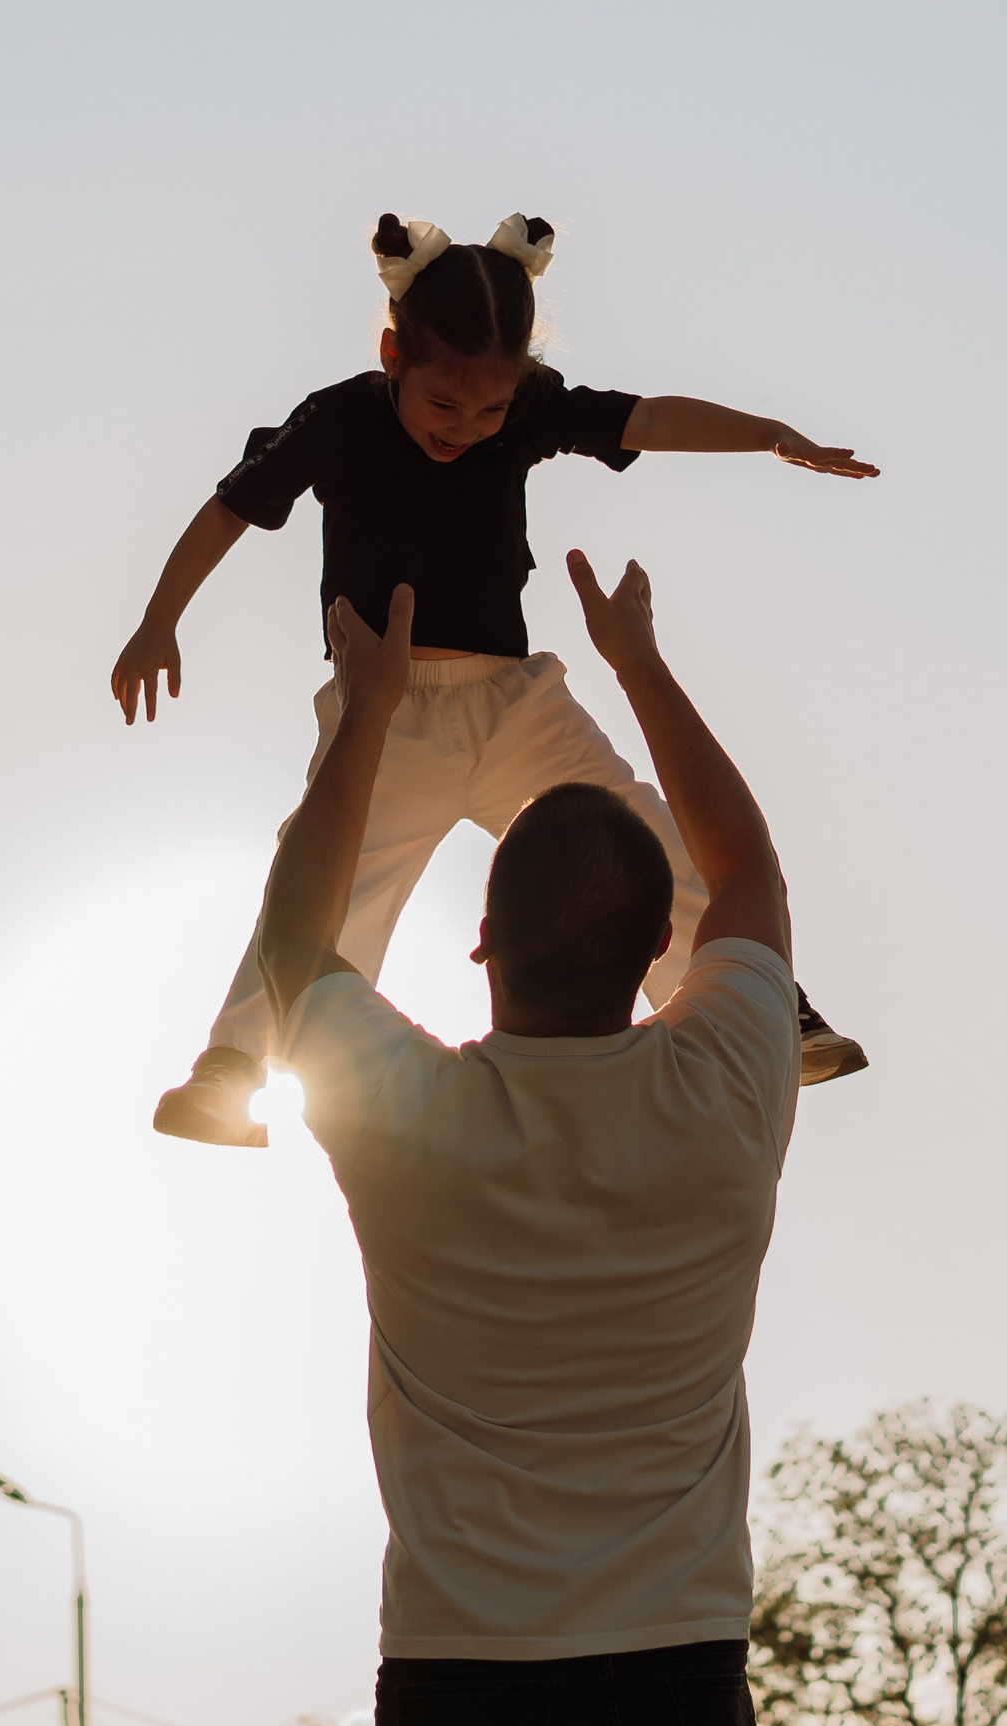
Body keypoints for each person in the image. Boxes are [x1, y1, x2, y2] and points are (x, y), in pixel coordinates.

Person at [257, 557, 796, 1726]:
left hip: (467, 1705)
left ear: (477, 944)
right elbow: (745, 876)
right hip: (680, 1697)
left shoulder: (412, 1118)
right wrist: (635, 664)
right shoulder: (732, 1086)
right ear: (658, 956)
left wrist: (368, 714)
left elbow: (297, 938)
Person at [113, 210, 874, 1148]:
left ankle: (767, 1018)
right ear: (395, 353)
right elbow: (228, 511)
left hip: (516, 706)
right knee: (325, 882)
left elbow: (645, 417)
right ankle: (232, 1070)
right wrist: (158, 620)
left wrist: (769, 435)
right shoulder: (340, 418)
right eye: (443, 405)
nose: (466, 429)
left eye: (489, 410)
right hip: (385, 717)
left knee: (633, 833)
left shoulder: (532, 407)